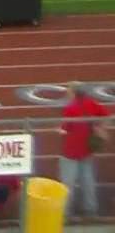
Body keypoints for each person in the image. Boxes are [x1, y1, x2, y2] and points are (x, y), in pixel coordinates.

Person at [59, 82, 108, 221]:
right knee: (88, 180)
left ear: (74, 93)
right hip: (86, 149)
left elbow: (65, 129)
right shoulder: (91, 103)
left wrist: (60, 130)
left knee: (68, 183)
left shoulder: (70, 108)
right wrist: (99, 129)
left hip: (71, 151)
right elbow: (104, 115)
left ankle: (66, 213)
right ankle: (91, 210)